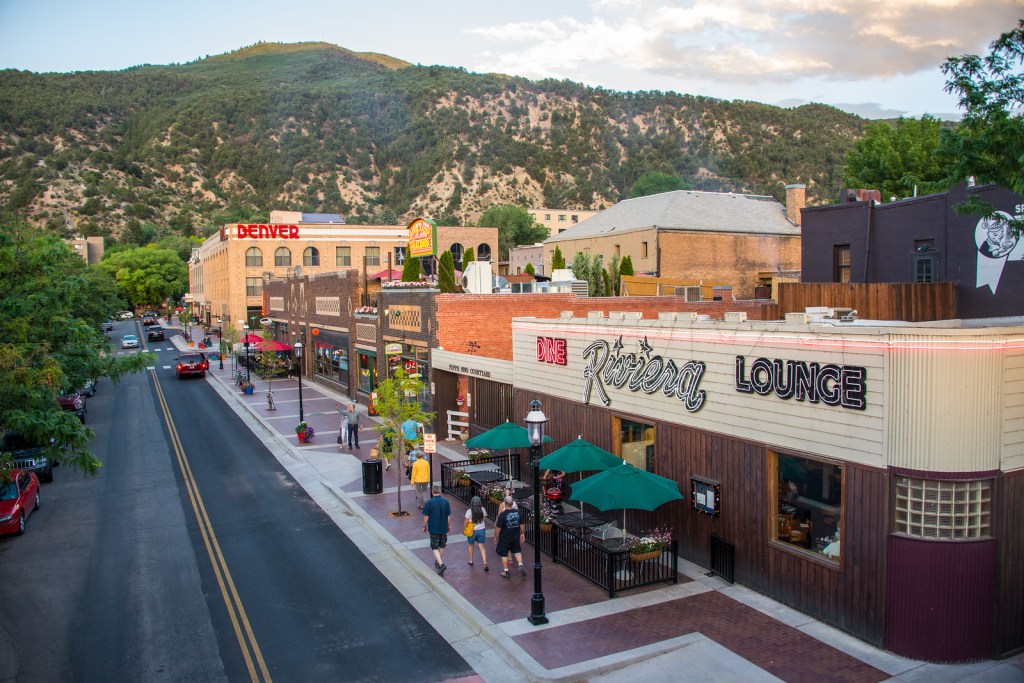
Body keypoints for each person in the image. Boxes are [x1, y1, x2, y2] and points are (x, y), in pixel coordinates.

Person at [494, 495, 527, 579]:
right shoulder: (518, 513)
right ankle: (520, 564)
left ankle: (506, 571)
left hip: (504, 538)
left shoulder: (502, 515)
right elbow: (522, 524)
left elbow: (498, 528)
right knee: (517, 551)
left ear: (505, 504)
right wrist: (522, 533)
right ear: (512, 504)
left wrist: (495, 536)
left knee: (504, 554)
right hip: (515, 536)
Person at [422, 484, 451, 575]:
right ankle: (438, 561)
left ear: (432, 492)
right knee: (442, 545)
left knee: (434, 546)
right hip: (443, 527)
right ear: (439, 491)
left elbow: (426, 517)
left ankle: (441, 564)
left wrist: (424, 525)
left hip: (433, 528)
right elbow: (448, 516)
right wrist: (449, 526)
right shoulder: (446, 502)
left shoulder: (429, 503)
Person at [465, 496, 489, 571]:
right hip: (481, 529)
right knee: (482, 547)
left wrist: (464, 529)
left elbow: (466, 521)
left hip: (472, 530)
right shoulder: (483, 509)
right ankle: (485, 562)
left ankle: (471, 560)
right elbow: (484, 518)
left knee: (470, 545)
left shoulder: (469, 511)